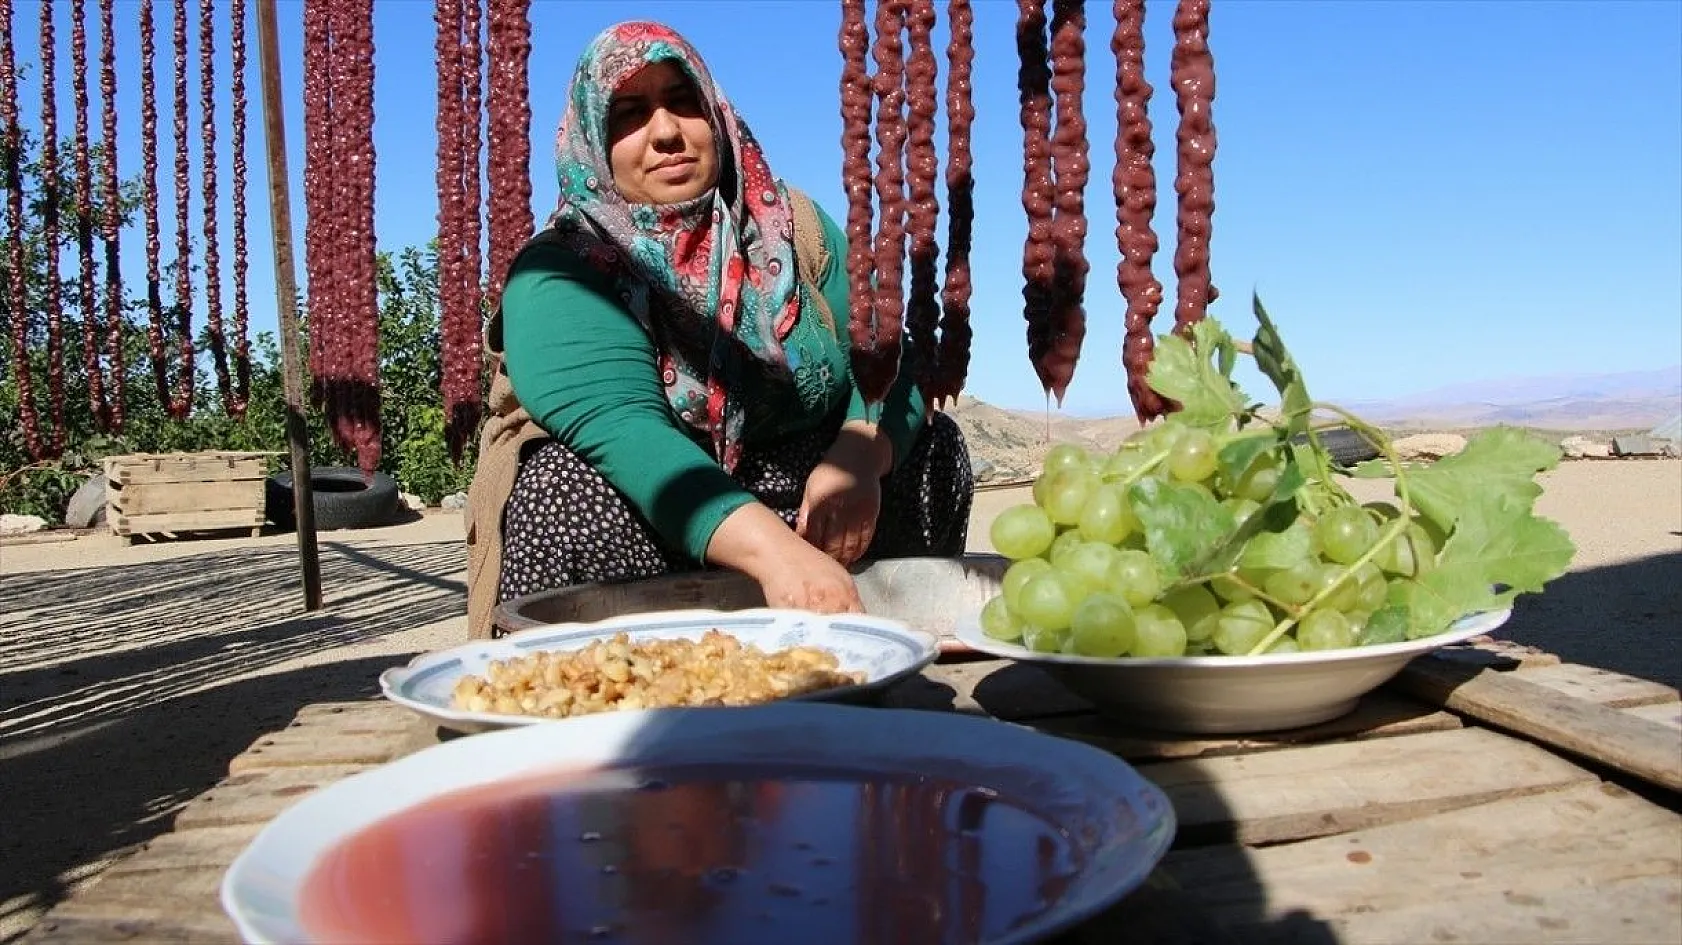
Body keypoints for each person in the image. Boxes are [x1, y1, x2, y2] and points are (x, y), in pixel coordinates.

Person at [465, 21, 974, 640]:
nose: (665, 133)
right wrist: (777, 556)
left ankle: (891, 657)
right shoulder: (564, 269)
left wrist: (858, 454)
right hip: (657, 524)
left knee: (933, 447)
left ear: (716, 113)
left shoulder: (794, 230)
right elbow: (628, 436)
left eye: (684, 103)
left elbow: (890, 363)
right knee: (562, 488)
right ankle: (620, 705)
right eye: (629, 113)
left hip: (821, 511)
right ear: (594, 141)